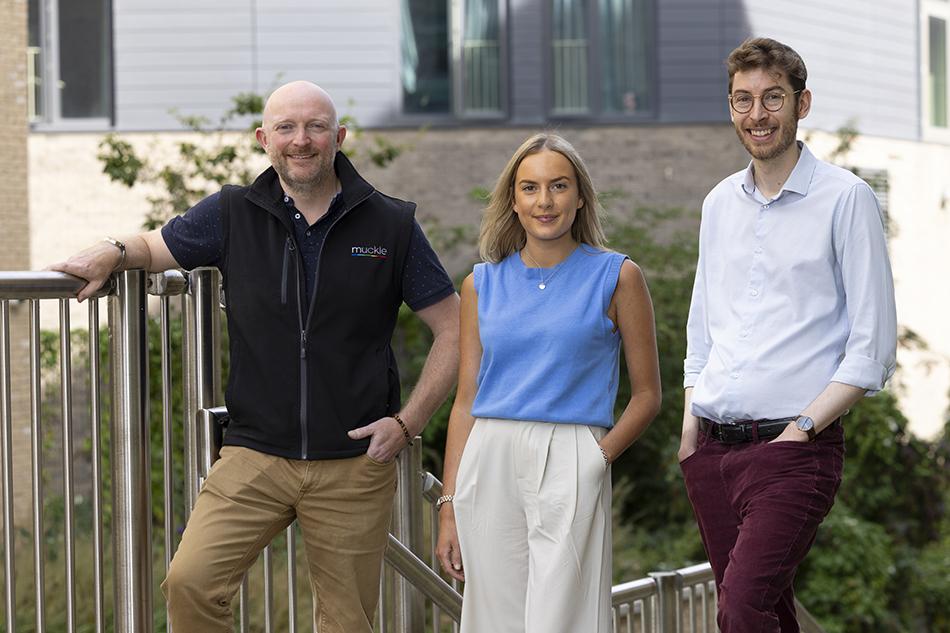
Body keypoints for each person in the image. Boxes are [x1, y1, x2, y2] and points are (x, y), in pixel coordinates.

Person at [51, 81, 460, 633]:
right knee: (191, 583)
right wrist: (114, 250)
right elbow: (153, 247)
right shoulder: (231, 212)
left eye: (316, 127)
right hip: (254, 453)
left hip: (355, 460)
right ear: (264, 139)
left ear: (338, 137)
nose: (302, 140)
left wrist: (407, 424)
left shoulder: (391, 223)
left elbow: (455, 330)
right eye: (286, 128)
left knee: (347, 623)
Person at [678, 38, 897, 633]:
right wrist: (689, 429)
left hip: (793, 452)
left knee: (740, 607)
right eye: (743, 100)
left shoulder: (846, 199)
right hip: (712, 451)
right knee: (766, 610)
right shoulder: (719, 203)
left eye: (772, 98)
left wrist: (800, 432)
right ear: (730, 108)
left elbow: (873, 347)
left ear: (802, 103)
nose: (758, 114)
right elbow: (704, 327)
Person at [435, 133, 662, 633]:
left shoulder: (617, 276)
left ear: (580, 196)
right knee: (492, 618)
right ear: (512, 200)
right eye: (530, 188)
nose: (545, 201)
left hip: (573, 452)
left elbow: (648, 396)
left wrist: (595, 458)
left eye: (558, 186)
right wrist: (448, 506)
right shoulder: (480, 284)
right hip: (489, 454)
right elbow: (465, 401)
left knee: (565, 618)